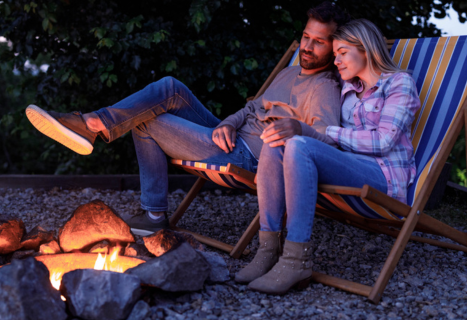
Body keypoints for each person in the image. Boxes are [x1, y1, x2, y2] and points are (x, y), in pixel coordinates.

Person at [25, 3, 350, 235]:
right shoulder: (291, 70)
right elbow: (252, 108)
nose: (307, 46)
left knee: (145, 120)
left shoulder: (325, 88)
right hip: (229, 135)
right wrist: (228, 122)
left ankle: (149, 206)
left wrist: (293, 128)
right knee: (170, 87)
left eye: (318, 41)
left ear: (334, 46)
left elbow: (322, 138)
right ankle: (95, 124)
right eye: (306, 36)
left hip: (250, 156)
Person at [235, 19, 421, 295]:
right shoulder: (346, 92)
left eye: (342, 53)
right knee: (279, 141)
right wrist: (301, 130)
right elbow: (326, 138)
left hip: (382, 177)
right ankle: (267, 249)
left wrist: (322, 132)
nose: (336, 61)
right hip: (350, 167)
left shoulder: (398, 84)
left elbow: (383, 141)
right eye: (335, 55)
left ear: (366, 50)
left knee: (299, 144)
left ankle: (296, 259)